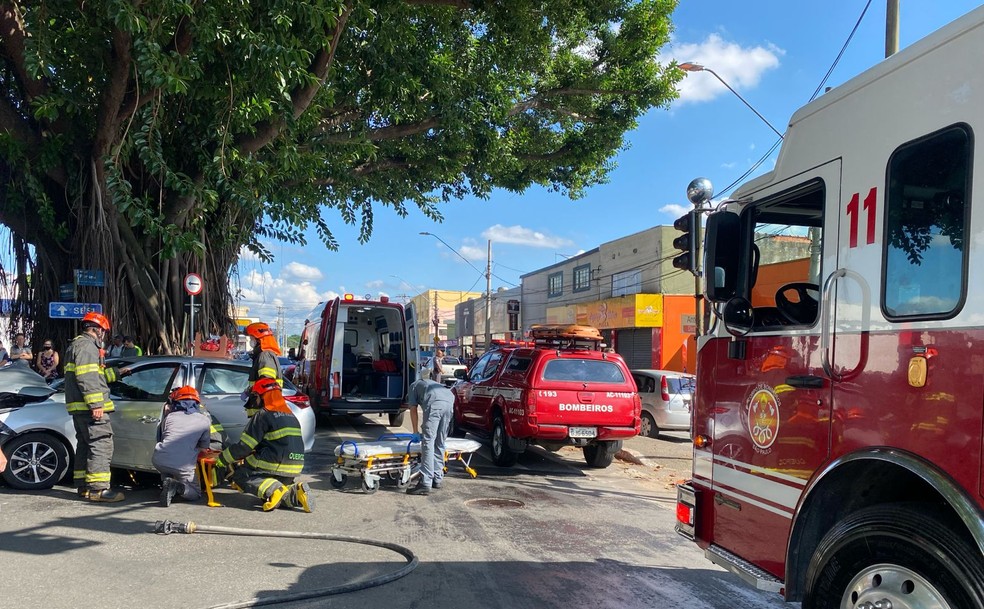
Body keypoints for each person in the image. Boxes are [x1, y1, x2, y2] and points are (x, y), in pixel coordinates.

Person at [214, 378, 312, 512]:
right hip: (295, 466)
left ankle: (274, 489)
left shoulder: (263, 415)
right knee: (275, 496)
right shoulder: (290, 415)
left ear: (260, 397)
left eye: (254, 397)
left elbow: (244, 446)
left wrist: (222, 459)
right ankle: (296, 494)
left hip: (275, 462)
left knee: (240, 475)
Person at [64, 312, 131, 502]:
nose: (104, 335)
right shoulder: (87, 346)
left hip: (80, 408)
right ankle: (98, 490)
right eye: (104, 331)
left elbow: (95, 376)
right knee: (101, 444)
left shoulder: (77, 345)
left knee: (86, 445)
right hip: (89, 407)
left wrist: (117, 374)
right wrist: (96, 404)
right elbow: (87, 377)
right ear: (97, 330)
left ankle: (84, 487)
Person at [153, 386, 212, 506]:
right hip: (182, 465)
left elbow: (164, 439)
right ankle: (177, 487)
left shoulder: (170, 417)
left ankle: (167, 484)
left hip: (159, 460)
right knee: (195, 493)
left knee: (167, 466)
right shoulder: (204, 420)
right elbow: (204, 448)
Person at [404, 367, 454, 496]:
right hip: (449, 400)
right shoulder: (433, 383)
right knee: (440, 442)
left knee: (428, 442)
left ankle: (425, 482)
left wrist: (415, 431)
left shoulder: (413, 386)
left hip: (435, 402)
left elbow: (413, 410)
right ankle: (437, 478)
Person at [244, 322, 282, 417]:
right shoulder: (263, 355)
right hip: (264, 408)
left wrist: (249, 392)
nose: (250, 341)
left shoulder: (265, 356)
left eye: (251, 338)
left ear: (259, 340)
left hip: (265, 408)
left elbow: (266, 382)